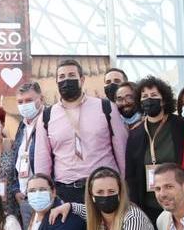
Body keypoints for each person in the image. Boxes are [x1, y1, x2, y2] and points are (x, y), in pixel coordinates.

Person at [34, 59, 128, 204]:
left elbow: (122, 150)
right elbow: (42, 161)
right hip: (66, 192)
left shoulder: (106, 108)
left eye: (72, 75)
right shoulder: (46, 116)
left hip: (103, 188)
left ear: (82, 79)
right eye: (62, 77)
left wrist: (124, 186)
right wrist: (42, 193)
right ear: (57, 82)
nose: (67, 80)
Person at [125, 76, 184, 221]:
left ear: (163, 100)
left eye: (154, 95)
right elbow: (130, 173)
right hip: (149, 204)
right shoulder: (135, 133)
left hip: (179, 201)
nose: (149, 99)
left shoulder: (181, 125)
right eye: (145, 96)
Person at [13, 81, 45, 228]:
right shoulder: (22, 126)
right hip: (25, 198)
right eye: (20, 101)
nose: (24, 105)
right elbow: (17, 159)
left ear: (41, 99)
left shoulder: (49, 121)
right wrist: (16, 190)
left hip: (44, 196)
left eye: (29, 100)